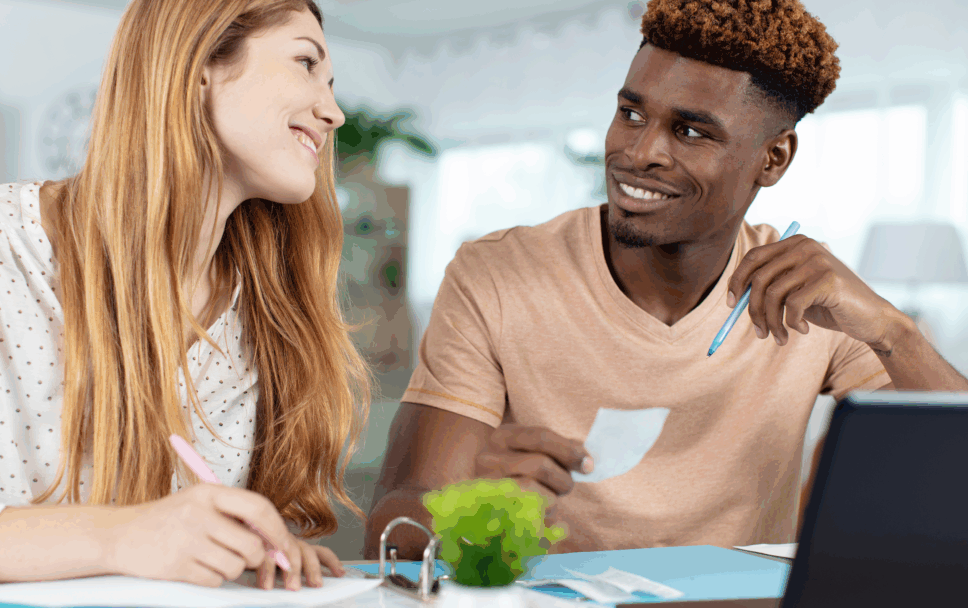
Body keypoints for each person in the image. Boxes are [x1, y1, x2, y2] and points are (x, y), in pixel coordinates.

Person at [366, 0, 968, 558]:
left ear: (773, 159)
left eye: (690, 131)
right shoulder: (497, 274)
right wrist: (464, 504)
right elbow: (388, 536)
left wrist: (897, 334)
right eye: (630, 113)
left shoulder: (808, 297)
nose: (639, 152)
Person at [0, 0, 372, 590]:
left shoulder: (267, 312)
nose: (334, 112)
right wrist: (121, 536)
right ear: (198, 66)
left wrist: (247, 551)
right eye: (305, 63)